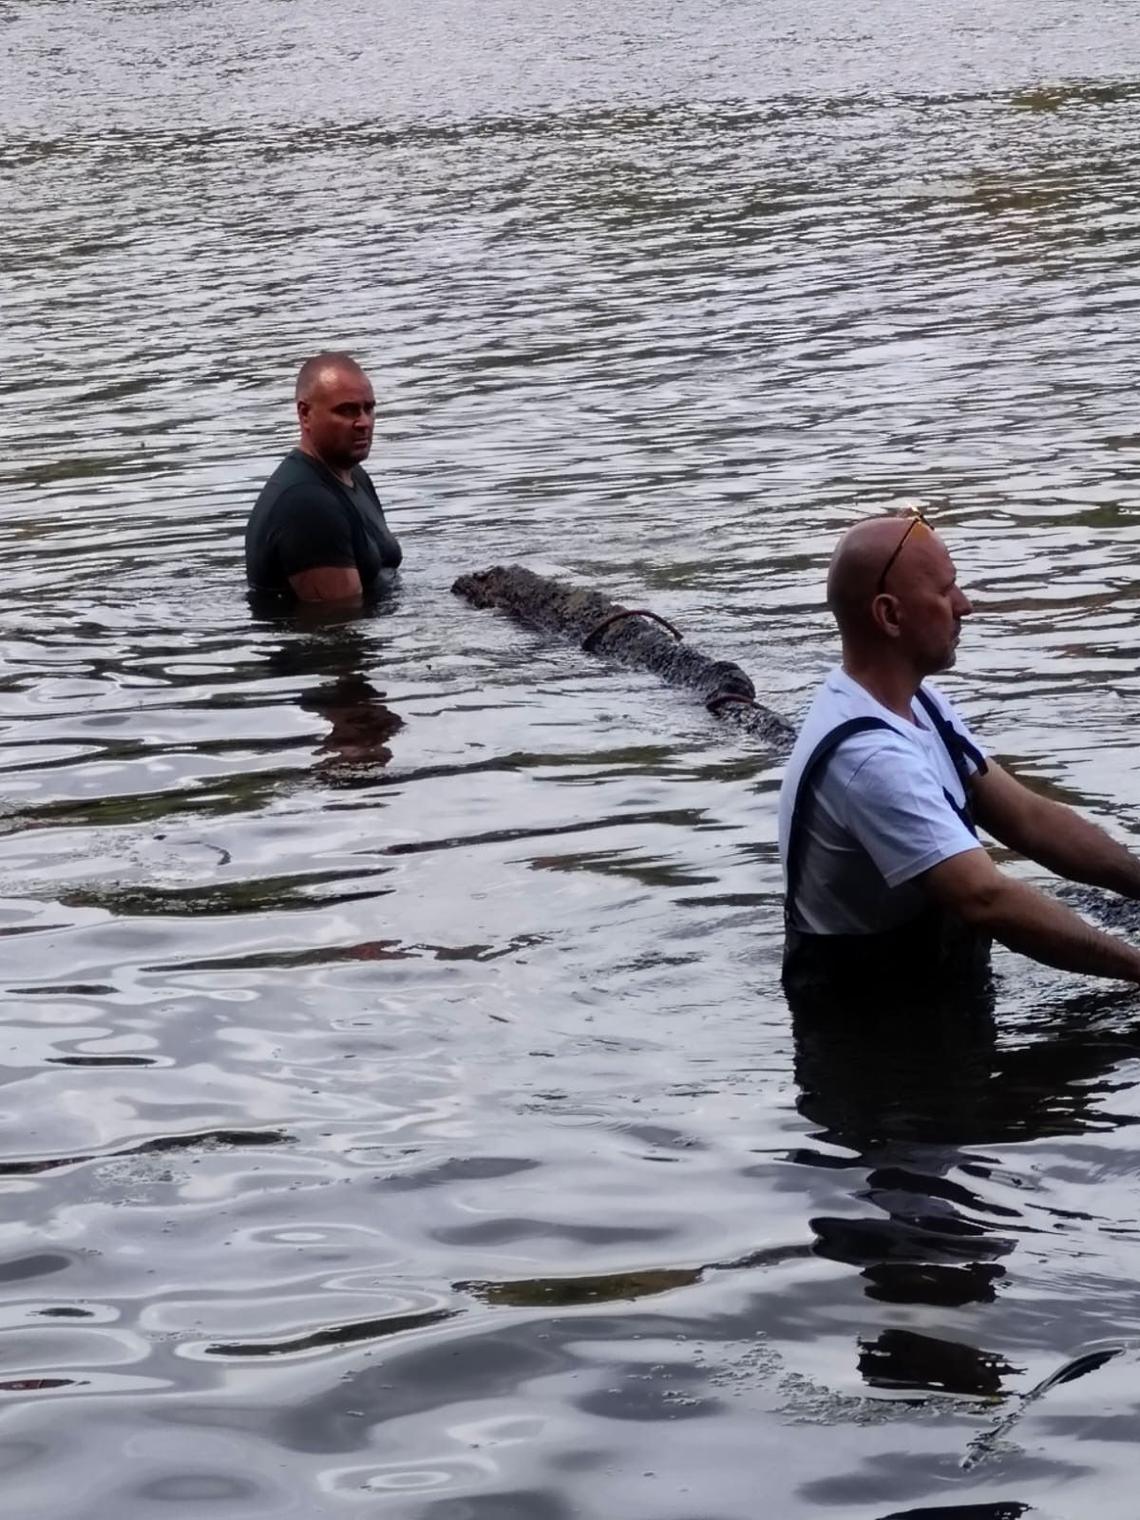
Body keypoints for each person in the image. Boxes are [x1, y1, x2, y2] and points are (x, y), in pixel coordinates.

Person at [777, 511, 1140, 1003]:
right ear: (889, 616)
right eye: (946, 592)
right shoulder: (868, 757)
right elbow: (987, 898)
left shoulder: (916, 703)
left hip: (932, 992)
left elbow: (1030, 820)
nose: (964, 606)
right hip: (872, 1035)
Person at [245, 353, 402, 604]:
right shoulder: (306, 504)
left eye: (369, 408)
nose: (364, 422)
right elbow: (340, 624)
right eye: (347, 410)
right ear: (305, 414)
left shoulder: (355, 476)